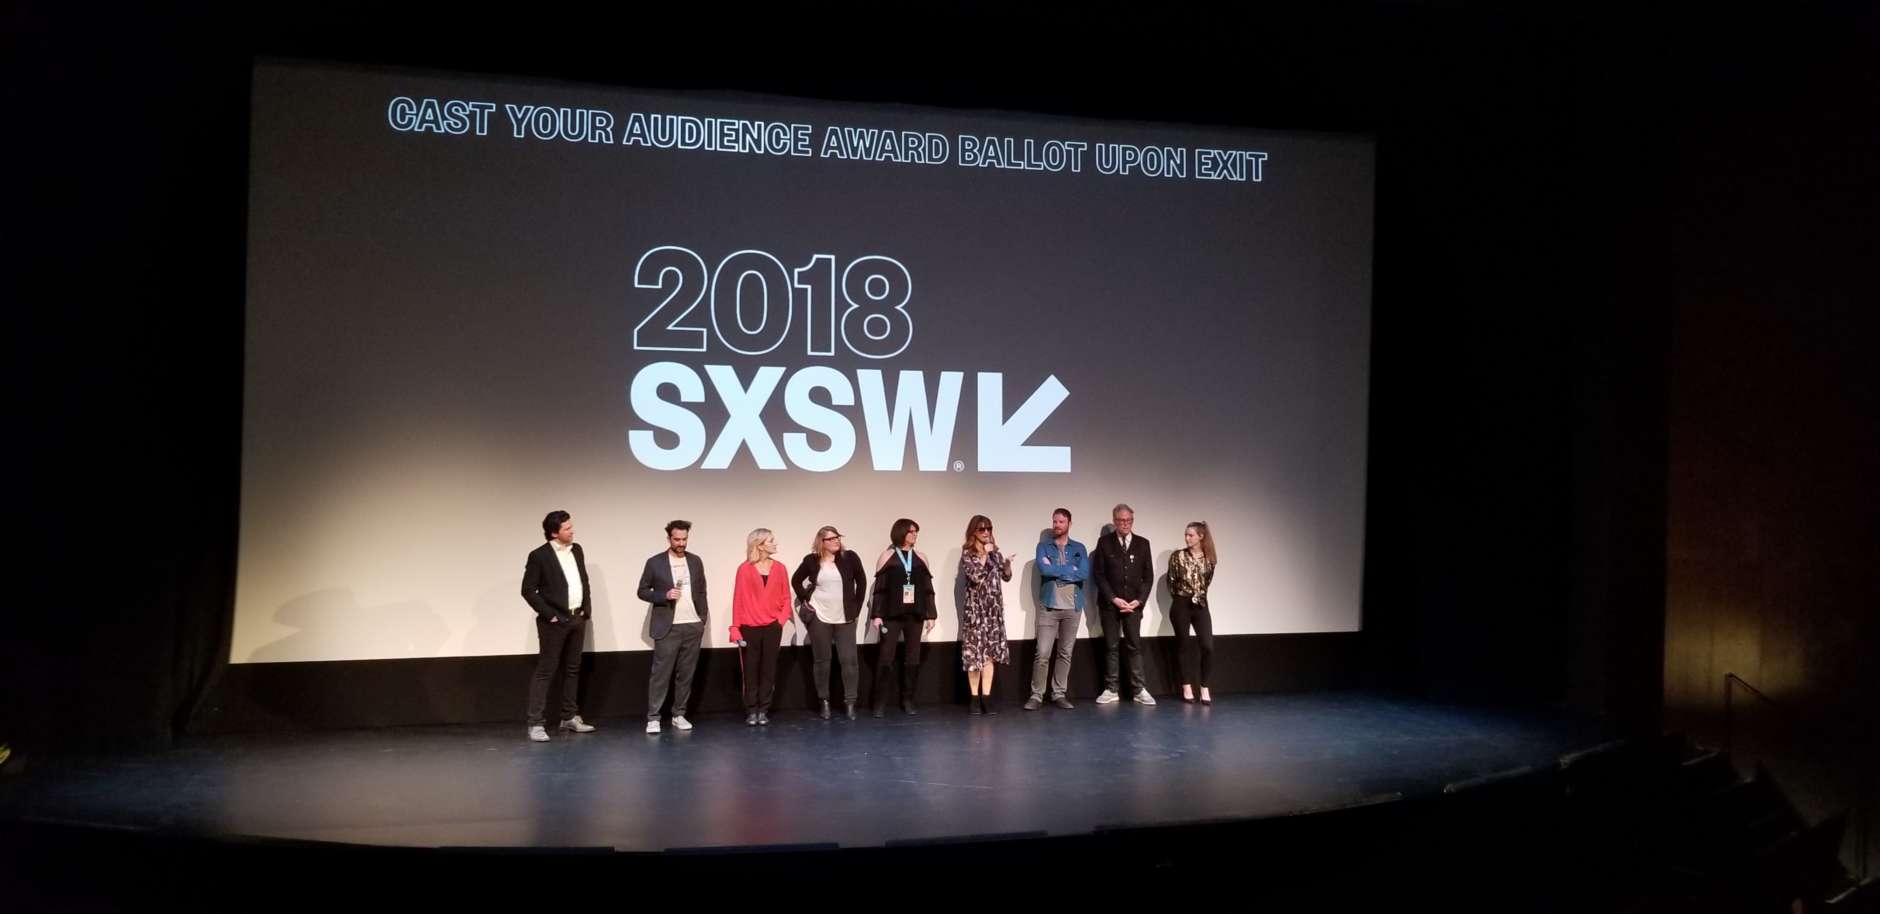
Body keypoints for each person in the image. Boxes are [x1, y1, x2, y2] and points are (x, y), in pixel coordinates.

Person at [522, 510, 595, 742]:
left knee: (573, 669)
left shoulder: (577, 550)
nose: (572, 531)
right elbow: (528, 590)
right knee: (546, 670)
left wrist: (585, 610)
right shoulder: (539, 556)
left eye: (571, 526)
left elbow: (583, 580)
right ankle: (535, 723)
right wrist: (550, 615)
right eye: (567, 528)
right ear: (554, 533)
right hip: (554, 622)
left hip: (576, 618)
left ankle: (569, 716)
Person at [636, 520, 709, 734]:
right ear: (669, 538)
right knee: (661, 674)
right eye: (677, 539)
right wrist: (664, 595)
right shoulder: (655, 562)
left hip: (692, 625)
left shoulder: (695, 561)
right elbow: (642, 591)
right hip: (668, 627)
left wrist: (702, 619)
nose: (681, 543)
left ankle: (679, 714)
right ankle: (653, 717)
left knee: (686, 674)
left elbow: (702, 591)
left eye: (684, 539)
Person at [791, 526, 868, 720]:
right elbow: (796, 581)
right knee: (822, 661)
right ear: (821, 542)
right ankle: (824, 701)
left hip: (845, 617)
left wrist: (856, 608)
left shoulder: (850, 557)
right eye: (831, 538)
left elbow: (862, 582)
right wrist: (807, 600)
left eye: (838, 537)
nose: (836, 540)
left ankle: (850, 702)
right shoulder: (811, 560)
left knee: (849, 660)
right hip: (820, 616)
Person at [1089, 503, 1156, 705]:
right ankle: (1111, 689)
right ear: (1115, 521)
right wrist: (1113, 598)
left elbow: (1148, 576)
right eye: (1121, 520)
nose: (1125, 524)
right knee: (1111, 646)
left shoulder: (1143, 543)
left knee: (1134, 646)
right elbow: (1099, 574)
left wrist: (1139, 600)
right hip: (1110, 605)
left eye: (1128, 520)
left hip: (1133, 606)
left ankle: (1139, 689)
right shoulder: (1104, 543)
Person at [869, 518, 935, 717]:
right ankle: (880, 702)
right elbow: (879, 589)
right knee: (886, 657)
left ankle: (908, 700)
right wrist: (877, 615)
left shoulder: (921, 557)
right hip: (892, 614)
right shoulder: (887, 556)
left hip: (915, 614)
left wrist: (931, 614)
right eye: (911, 531)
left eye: (916, 531)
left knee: (912, 658)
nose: (915, 535)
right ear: (900, 532)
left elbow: (927, 589)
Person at [730, 528, 793, 725]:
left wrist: (780, 620)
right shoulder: (745, 569)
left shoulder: (780, 568)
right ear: (759, 545)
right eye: (771, 541)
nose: (775, 543)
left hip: (772, 627)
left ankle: (763, 709)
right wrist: (735, 627)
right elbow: (738, 599)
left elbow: (786, 597)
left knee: (768, 669)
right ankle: (751, 709)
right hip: (749, 627)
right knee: (750, 669)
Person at [1027, 507, 1088, 710]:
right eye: (1054, 521)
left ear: (1069, 524)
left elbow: (1084, 573)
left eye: (1061, 522)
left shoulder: (1079, 547)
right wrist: (1070, 570)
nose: (1057, 525)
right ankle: (1036, 695)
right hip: (1049, 607)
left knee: (1065, 653)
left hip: (1073, 607)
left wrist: (1058, 571)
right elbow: (1045, 570)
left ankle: (1059, 693)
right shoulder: (1043, 547)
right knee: (1042, 653)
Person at [959, 514, 1013, 714]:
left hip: (993, 613)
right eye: (982, 529)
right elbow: (976, 577)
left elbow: (1005, 577)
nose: (986, 532)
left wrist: (1007, 566)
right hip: (975, 613)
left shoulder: (995, 553)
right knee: (974, 656)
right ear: (974, 532)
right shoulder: (968, 554)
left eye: (989, 528)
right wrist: (984, 557)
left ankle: (986, 698)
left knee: (989, 655)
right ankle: (974, 699)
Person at [1167, 521, 1219, 704]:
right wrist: (1182, 597)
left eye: (1191, 535)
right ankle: (1186, 685)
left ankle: (1204, 686)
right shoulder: (1178, 556)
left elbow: (1207, 582)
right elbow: (1171, 581)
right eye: (1186, 535)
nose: (1187, 538)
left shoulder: (1209, 558)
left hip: (1201, 604)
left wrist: (1198, 595)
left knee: (1207, 646)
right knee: (1183, 644)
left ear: (1200, 537)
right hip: (1181, 603)